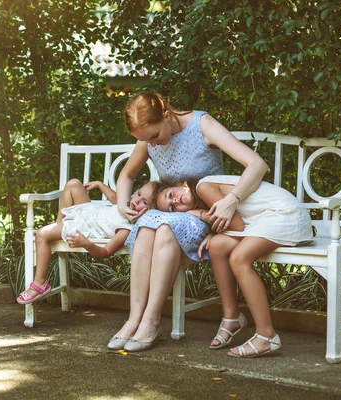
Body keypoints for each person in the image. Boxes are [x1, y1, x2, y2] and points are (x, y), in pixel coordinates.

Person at [109, 91, 269, 353]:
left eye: (154, 136)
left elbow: (256, 164)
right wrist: (122, 204)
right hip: (171, 211)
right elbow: (127, 175)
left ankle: (151, 321)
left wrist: (232, 200)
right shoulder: (148, 138)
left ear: (167, 115)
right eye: (145, 140)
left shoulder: (202, 125)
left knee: (163, 228)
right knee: (148, 226)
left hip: (207, 212)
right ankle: (134, 319)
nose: (153, 144)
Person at [157, 177, 313, 357]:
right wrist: (213, 234)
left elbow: (237, 226)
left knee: (239, 259)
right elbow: (235, 224)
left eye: (171, 195)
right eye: (172, 208)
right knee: (216, 245)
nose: (175, 202)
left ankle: (266, 336)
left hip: (285, 215)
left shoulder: (203, 187)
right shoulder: (203, 196)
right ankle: (232, 318)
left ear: (182, 184)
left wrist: (198, 213)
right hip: (264, 221)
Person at [17, 179, 162, 305]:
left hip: (82, 227)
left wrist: (86, 243)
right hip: (88, 210)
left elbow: (106, 252)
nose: (136, 200)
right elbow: (113, 197)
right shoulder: (127, 204)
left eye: (144, 202)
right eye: (138, 193)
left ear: (150, 212)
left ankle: (40, 282)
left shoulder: (126, 229)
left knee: (41, 234)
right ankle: (58, 224)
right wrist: (100, 185)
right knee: (73, 184)